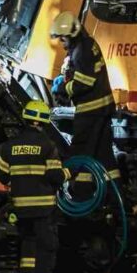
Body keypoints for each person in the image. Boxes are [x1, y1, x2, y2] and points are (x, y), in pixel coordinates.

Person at [0, 100, 68, 273]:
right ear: (44, 121)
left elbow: (1, 176)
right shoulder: (48, 146)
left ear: (26, 119)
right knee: (46, 247)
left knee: (28, 245)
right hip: (43, 208)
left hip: (20, 208)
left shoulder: (10, 147)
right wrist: (68, 173)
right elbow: (56, 177)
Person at [50, 11, 121, 200]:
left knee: (80, 151)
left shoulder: (81, 50)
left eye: (62, 38)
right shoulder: (86, 44)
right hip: (102, 110)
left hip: (90, 112)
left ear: (71, 35)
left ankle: (80, 194)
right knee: (104, 156)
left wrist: (64, 88)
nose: (61, 43)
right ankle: (115, 197)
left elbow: (85, 82)